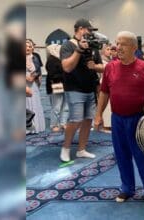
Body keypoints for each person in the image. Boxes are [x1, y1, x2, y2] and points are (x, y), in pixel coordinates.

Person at [94, 31, 144, 204]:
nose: (118, 47)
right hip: (118, 120)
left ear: (134, 47)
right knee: (122, 155)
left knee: (143, 156)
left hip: (139, 119)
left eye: (123, 44)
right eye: (117, 43)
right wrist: (98, 114)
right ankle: (127, 189)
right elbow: (104, 92)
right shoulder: (110, 67)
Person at [59, 18, 104, 162]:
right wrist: (79, 49)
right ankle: (65, 148)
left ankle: (81, 149)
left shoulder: (93, 46)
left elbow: (99, 66)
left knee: (87, 120)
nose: (90, 33)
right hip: (74, 89)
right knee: (75, 119)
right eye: (89, 30)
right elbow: (67, 67)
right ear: (80, 29)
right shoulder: (67, 46)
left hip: (90, 88)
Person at [46, 44, 68, 132]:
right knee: (57, 106)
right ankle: (54, 124)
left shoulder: (61, 58)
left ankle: (63, 123)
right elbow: (53, 75)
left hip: (66, 84)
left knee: (66, 106)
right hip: (57, 85)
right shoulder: (52, 60)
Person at [26, 40, 45, 133]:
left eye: (29, 46)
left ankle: (35, 127)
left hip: (33, 83)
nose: (27, 48)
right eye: (25, 46)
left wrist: (33, 77)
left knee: (34, 102)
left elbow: (38, 70)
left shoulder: (35, 58)